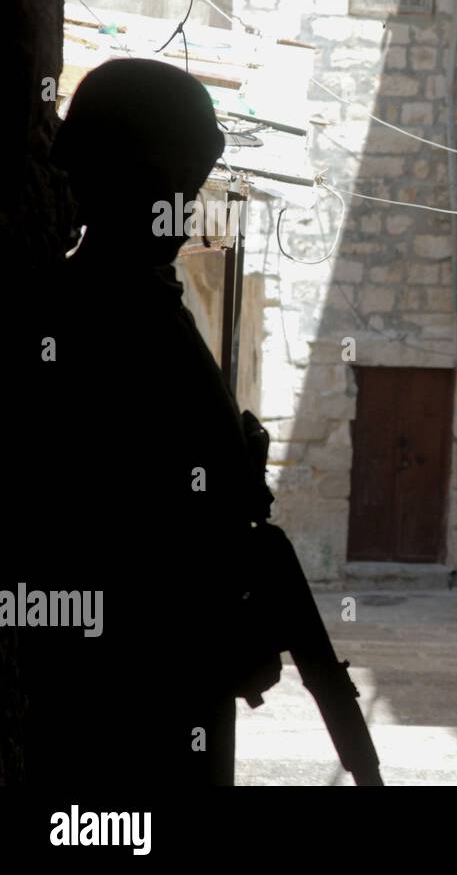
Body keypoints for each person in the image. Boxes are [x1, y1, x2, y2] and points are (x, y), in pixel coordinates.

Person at [21, 59, 260, 784]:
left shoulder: (143, 301)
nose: (182, 208)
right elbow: (96, 520)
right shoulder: (89, 313)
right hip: (126, 688)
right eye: (171, 184)